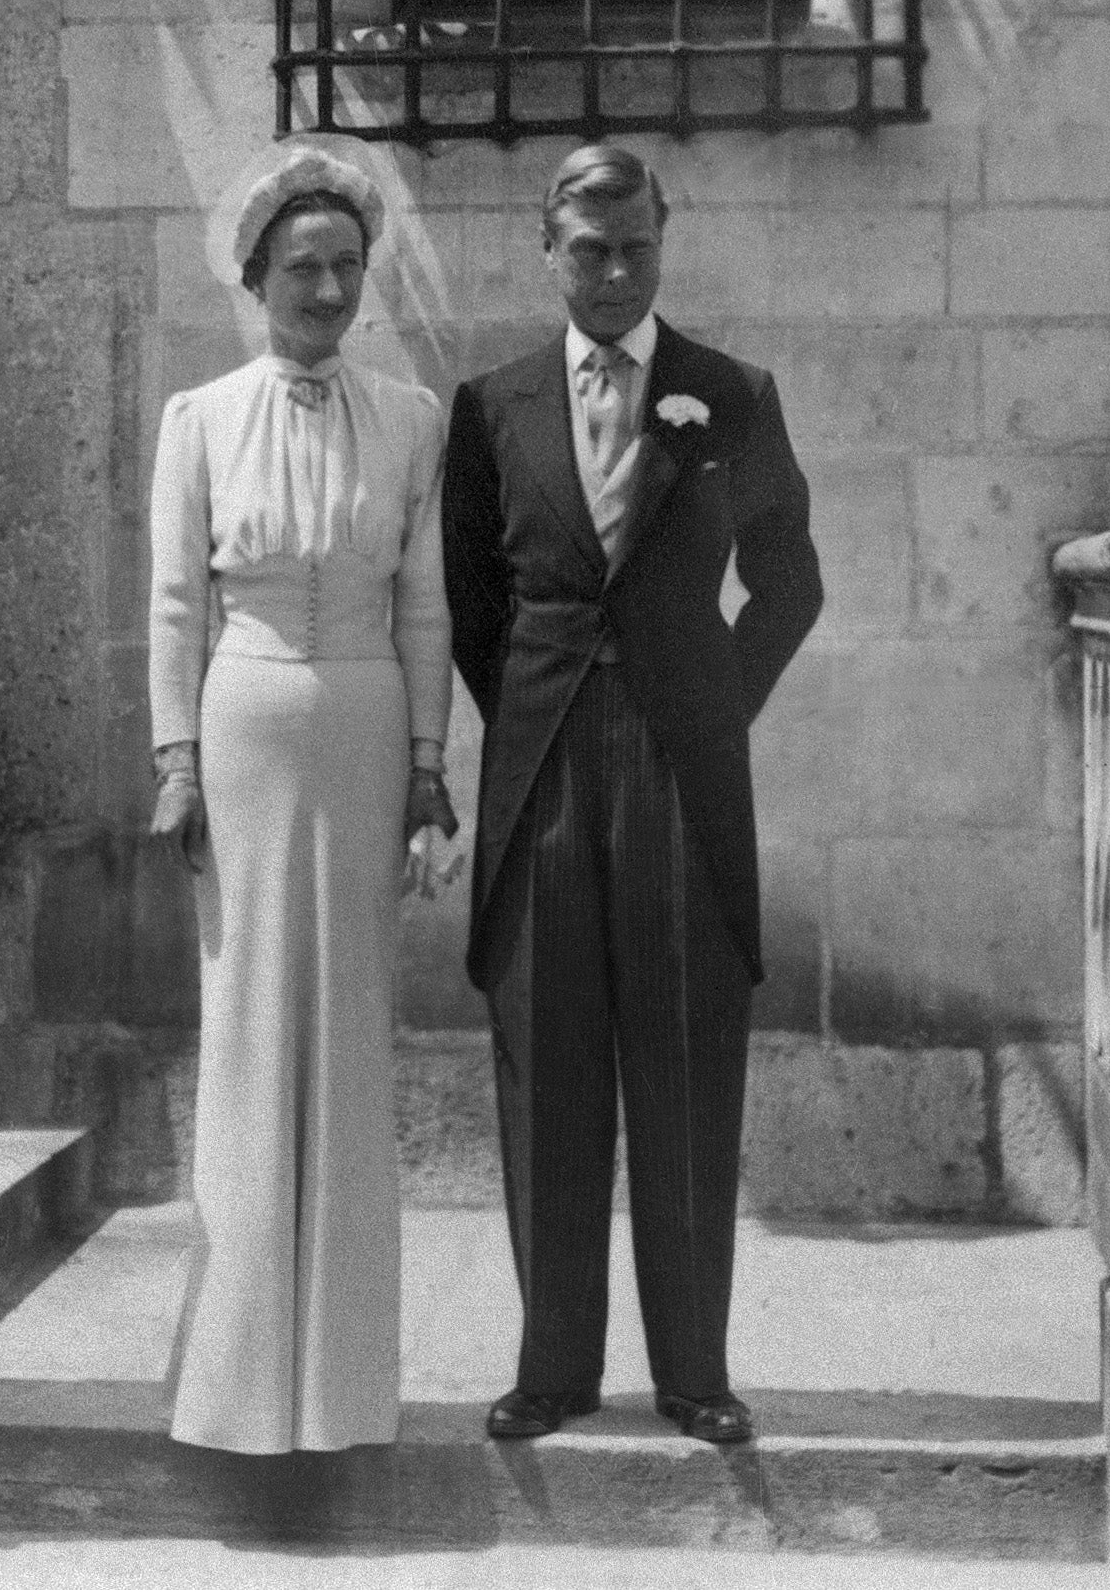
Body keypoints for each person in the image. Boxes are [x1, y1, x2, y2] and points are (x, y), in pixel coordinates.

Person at [440, 142, 824, 1448]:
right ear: (544, 248)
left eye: (634, 248)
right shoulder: (490, 409)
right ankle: (553, 1370)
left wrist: (709, 709)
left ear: (666, 241)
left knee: (680, 1057)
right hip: (541, 769)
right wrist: (540, 719)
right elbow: (475, 610)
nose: (611, 272)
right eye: (587, 249)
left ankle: (695, 1374)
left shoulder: (733, 396)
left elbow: (791, 584)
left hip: (679, 775)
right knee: (546, 1059)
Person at [145, 145, 462, 1455]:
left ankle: (336, 1396)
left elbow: (426, 601)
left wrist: (435, 765)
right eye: (302, 266)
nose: (326, 288)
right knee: (248, 1029)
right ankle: (235, 1391)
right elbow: (173, 602)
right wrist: (173, 760)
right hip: (244, 728)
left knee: (345, 1033)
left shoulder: (412, 419)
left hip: (370, 729)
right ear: (259, 275)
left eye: (345, 266)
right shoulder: (199, 418)